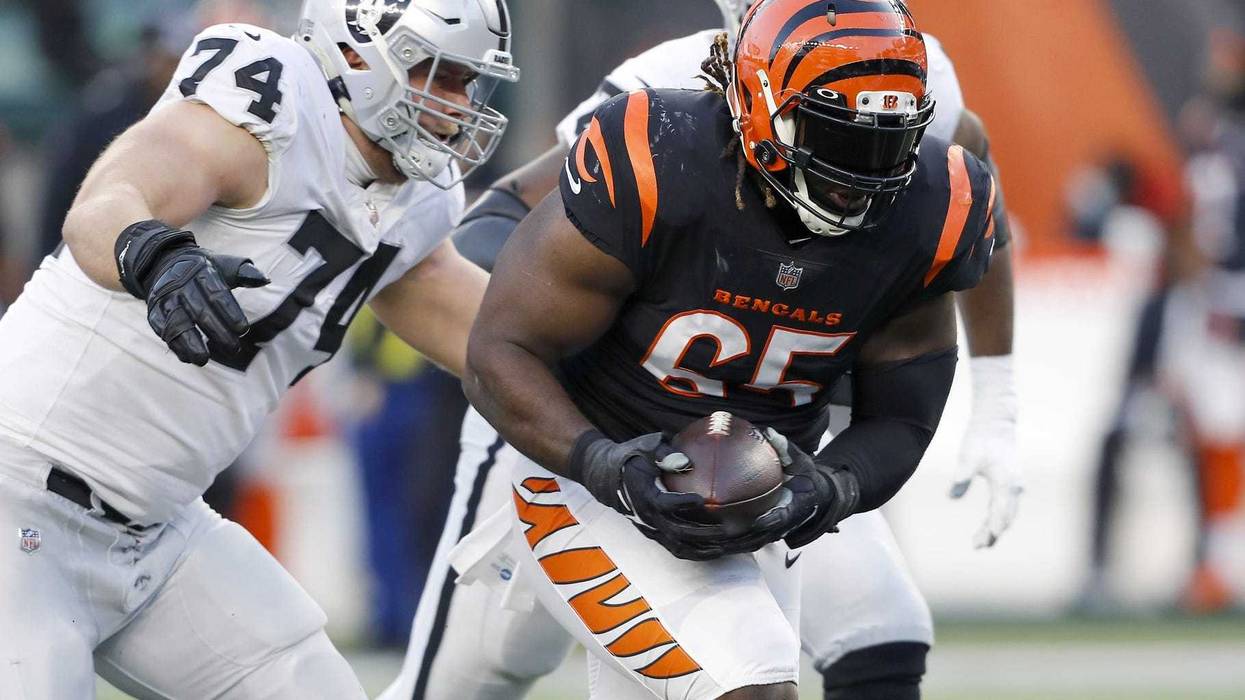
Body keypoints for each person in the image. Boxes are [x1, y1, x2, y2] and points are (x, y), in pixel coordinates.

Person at [381, 1, 1017, 698]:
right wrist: (604, 463)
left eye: (888, 144)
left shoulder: (933, 189)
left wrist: (831, 486)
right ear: (757, 100)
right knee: (733, 675)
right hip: (583, 458)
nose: (860, 177)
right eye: (836, 138)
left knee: (873, 632)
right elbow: (502, 344)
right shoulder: (655, 143)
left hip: (756, 470)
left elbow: (902, 414)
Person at [0, 0, 517, 697]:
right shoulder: (269, 94)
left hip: (160, 530)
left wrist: (641, 395)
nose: (456, 106)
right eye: (440, 76)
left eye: (467, 84)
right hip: (21, 493)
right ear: (358, 52)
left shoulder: (418, 203)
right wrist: (156, 256)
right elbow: (104, 206)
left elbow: (502, 346)